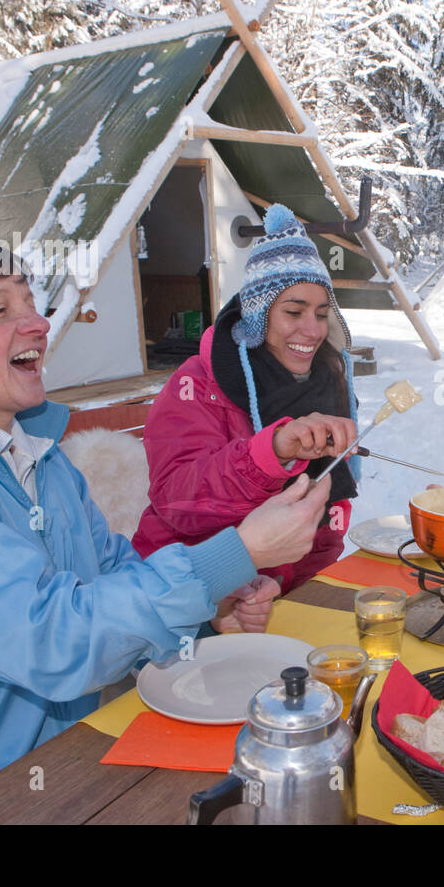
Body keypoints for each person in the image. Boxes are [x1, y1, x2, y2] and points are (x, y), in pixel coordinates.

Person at [0, 239, 332, 824]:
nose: (38, 323)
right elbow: (52, 638)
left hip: (57, 765)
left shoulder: (36, 456)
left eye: (32, 304)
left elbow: (112, 572)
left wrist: (210, 604)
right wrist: (235, 553)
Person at [133, 205, 359, 626]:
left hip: (276, 600)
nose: (312, 331)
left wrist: (282, 584)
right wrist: (268, 452)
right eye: (293, 312)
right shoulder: (199, 382)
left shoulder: (326, 379)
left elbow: (324, 516)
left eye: (322, 314)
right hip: (177, 601)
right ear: (258, 314)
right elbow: (177, 499)